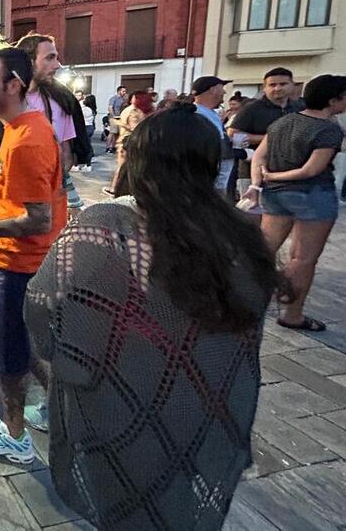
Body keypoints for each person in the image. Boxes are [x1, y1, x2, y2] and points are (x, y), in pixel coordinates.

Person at [26, 105, 285, 530]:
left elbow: (40, 305)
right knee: (176, 505)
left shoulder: (105, 225)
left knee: (125, 509)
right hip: (199, 408)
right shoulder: (237, 235)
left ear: (140, 163)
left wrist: (67, 356)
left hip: (116, 408)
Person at [0, 47, 66, 464]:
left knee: (8, 355)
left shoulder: (26, 138)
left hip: (21, 265)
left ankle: (14, 436)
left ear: (14, 85)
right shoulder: (19, 127)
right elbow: (14, 188)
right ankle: (59, 411)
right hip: (27, 263)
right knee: (31, 349)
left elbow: (37, 219)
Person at [244, 74, 346, 332]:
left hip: (275, 196)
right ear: (333, 100)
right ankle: (292, 314)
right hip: (312, 196)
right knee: (302, 259)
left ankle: (247, 301)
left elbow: (258, 156)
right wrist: (274, 176)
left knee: (265, 250)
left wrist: (259, 183)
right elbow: (312, 170)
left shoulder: (283, 122)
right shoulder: (329, 129)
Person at [13, 34, 84, 211]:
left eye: (56, 57)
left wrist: (51, 193)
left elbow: (66, 155)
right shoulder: (2, 99)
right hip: (11, 203)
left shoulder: (62, 100)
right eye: (50, 58)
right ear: (29, 62)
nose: (58, 65)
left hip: (51, 200)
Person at [228, 67, 304, 187]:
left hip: (291, 172)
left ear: (292, 85)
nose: (277, 88)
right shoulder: (252, 108)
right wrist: (269, 138)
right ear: (265, 87)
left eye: (283, 84)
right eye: (272, 85)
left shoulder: (300, 107)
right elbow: (233, 134)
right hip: (253, 172)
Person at [192, 76, 235, 194]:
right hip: (210, 182)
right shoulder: (196, 114)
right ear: (213, 89)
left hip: (217, 179)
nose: (225, 92)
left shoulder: (210, 113)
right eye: (222, 88)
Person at [104, 91, 153, 196]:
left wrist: (118, 122)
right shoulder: (150, 111)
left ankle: (117, 189)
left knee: (123, 167)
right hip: (140, 141)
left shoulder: (134, 111)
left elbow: (133, 127)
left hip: (129, 141)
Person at [74, 93, 97, 172]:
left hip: (85, 127)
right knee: (88, 145)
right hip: (90, 127)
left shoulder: (85, 109)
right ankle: (87, 164)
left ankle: (83, 164)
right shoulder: (93, 109)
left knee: (81, 146)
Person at [106, 85, 128, 153]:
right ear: (119, 91)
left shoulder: (123, 99)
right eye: (123, 91)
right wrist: (113, 116)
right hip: (114, 117)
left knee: (117, 133)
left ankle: (113, 146)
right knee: (112, 132)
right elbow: (110, 107)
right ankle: (108, 147)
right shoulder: (113, 98)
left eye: (125, 91)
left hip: (121, 117)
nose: (124, 92)